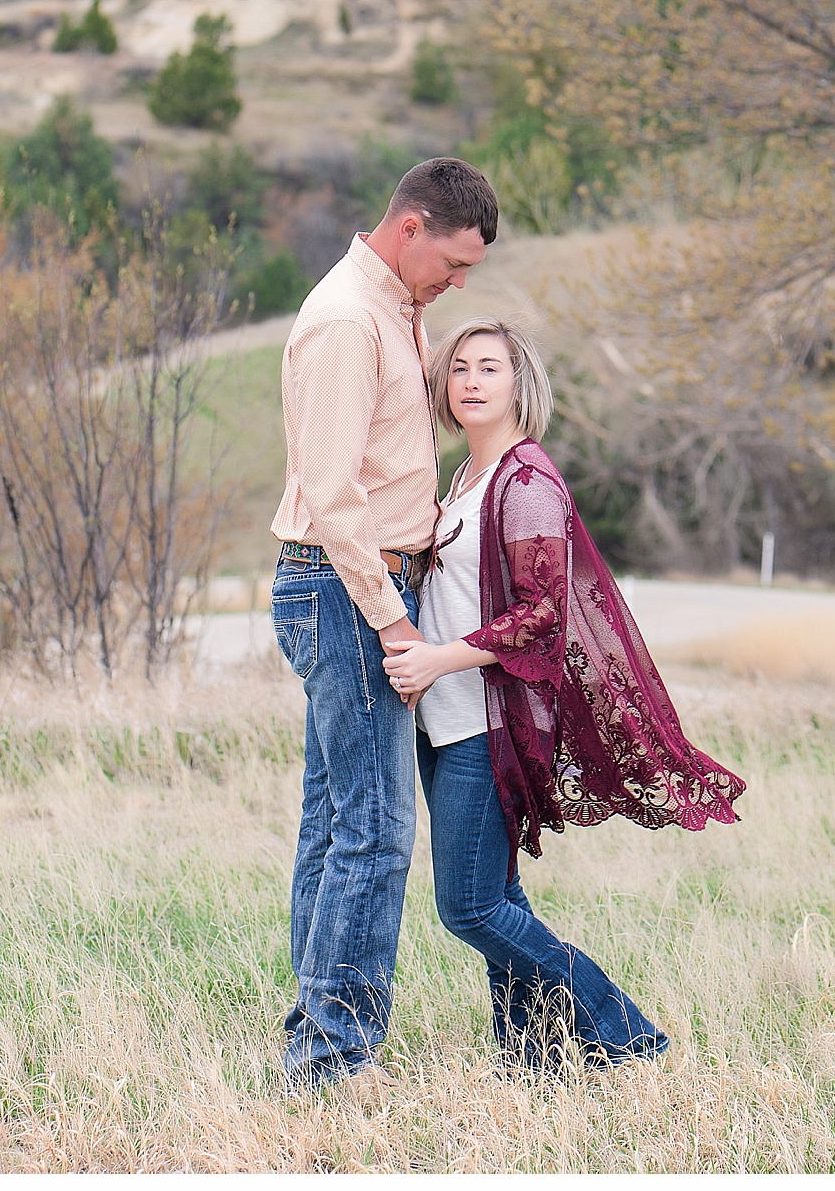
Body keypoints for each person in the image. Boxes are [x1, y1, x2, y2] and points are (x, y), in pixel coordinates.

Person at [382, 318, 746, 1073]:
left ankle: (623, 1029)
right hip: (444, 723)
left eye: (491, 368)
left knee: (470, 908)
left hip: (489, 724)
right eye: (460, 369)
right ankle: (530, 1061)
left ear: (521, 385)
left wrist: (436, 659)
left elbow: (542, 616)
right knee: (500, 900)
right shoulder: (465, 480)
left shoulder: (527, 482)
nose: (472, 381)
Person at [268, 159, 498, 1097]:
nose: (457, 282)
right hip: (344, 588)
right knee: (374, 832)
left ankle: (315, 1029)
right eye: (452, 263)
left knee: (335, 821)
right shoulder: (345, 321)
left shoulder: (399, 306)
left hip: (352, 585)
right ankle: (334, 1060)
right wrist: (396, 621)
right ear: (409, 229)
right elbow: (331, 493)